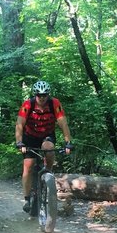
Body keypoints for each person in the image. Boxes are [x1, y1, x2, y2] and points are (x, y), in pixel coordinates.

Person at [15, 80, 73, 212]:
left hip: (46, 135)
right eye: (39, 95)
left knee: (49, 148)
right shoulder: (28, 104)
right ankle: (27, 198)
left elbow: (63, 124)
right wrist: (19, 142)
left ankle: (48, 173)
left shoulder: (54, 103)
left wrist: (68, 142)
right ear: (35, 94)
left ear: (48, 94)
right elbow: (19, 125)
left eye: (44, 95)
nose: (42, 98)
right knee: (28, 166)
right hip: (29, 137)